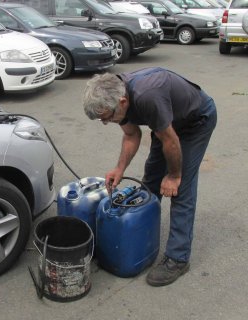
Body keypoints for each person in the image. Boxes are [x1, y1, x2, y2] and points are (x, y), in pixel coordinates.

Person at [82, 67, 217, 286]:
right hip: (166, 122)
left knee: (180, 189)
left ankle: (178, 258)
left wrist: (173, 176)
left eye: (106, 118)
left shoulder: (147, 96)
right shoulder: (118, 95)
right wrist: (120, 169)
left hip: (196, 121)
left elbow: (171, 140)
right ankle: (142, 238)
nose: (106, 123)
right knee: (150, 184)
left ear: (123, 102)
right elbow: (131, 134)